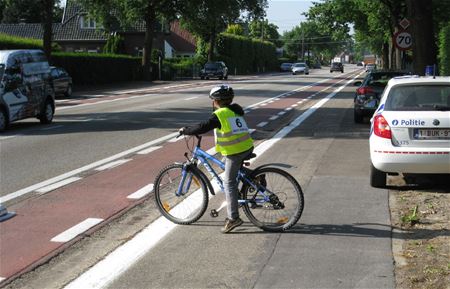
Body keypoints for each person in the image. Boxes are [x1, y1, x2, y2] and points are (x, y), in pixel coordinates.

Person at [179, 84, 254, 233]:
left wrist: (185, 130)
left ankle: (233, 218)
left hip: (235, 152)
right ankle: (253, 177)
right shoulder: (234, 111)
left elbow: (203, 126)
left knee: (229, 183)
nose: (212, 103)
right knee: (224, 165)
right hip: (246, 147)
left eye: (213, 100)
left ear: (217, 101)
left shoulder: (220, 114)